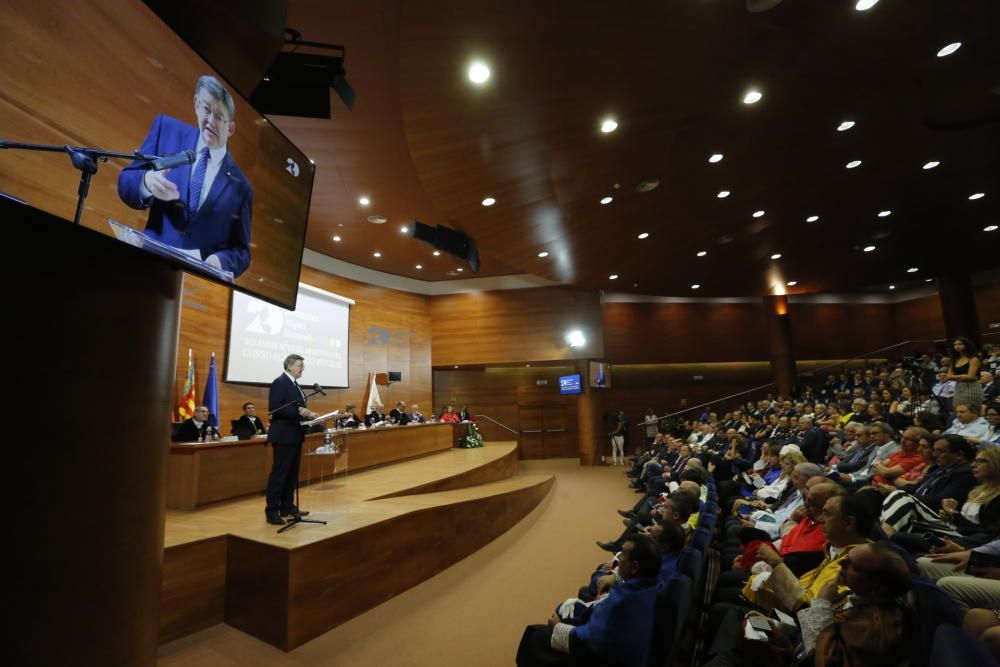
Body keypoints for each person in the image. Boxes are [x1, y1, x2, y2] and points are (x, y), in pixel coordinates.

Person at [117, 75, 252, 277]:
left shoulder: (242, 187)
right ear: (197, 104)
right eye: (207, 110)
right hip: (145, 265)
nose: (210, 122)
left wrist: (220, 261)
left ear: (230, 128)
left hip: (195, 283)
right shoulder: (167, 130)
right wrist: (146, 181)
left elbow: (242, 251)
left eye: (219, 117)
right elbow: (126, 181)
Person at [516, 534, 661, 667]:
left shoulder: (621, 605)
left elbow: (585, 642)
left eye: (623, 554)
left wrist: (557, 627)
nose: (619, 557)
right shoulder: (652, 586)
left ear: (635, 567)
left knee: (535, 636)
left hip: (604, 658)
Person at [264, 354, 317, 525]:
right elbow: (275, 407)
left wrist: (308, 415)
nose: (303, 369)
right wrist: (300, 412)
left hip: (295, 435)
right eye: (300, 365)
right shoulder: (280, 382)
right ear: (289, 366)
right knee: (280, 474)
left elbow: (297, 408)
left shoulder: (295, 385)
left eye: (303, 366)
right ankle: (272, 510)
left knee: (291, 475)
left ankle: (287, 506)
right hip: (284, 435)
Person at [946, 337, 984, 410]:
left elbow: (970, 377)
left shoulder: (973, 359)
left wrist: (956, 377)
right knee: (958, 412)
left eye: (960, 344)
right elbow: (948, 377)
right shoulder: (954, 360)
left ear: (966, 345)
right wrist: (963, 375)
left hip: (972, 389)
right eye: (955, 345)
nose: (957, 346)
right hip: (958, 389)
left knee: (971, 413)